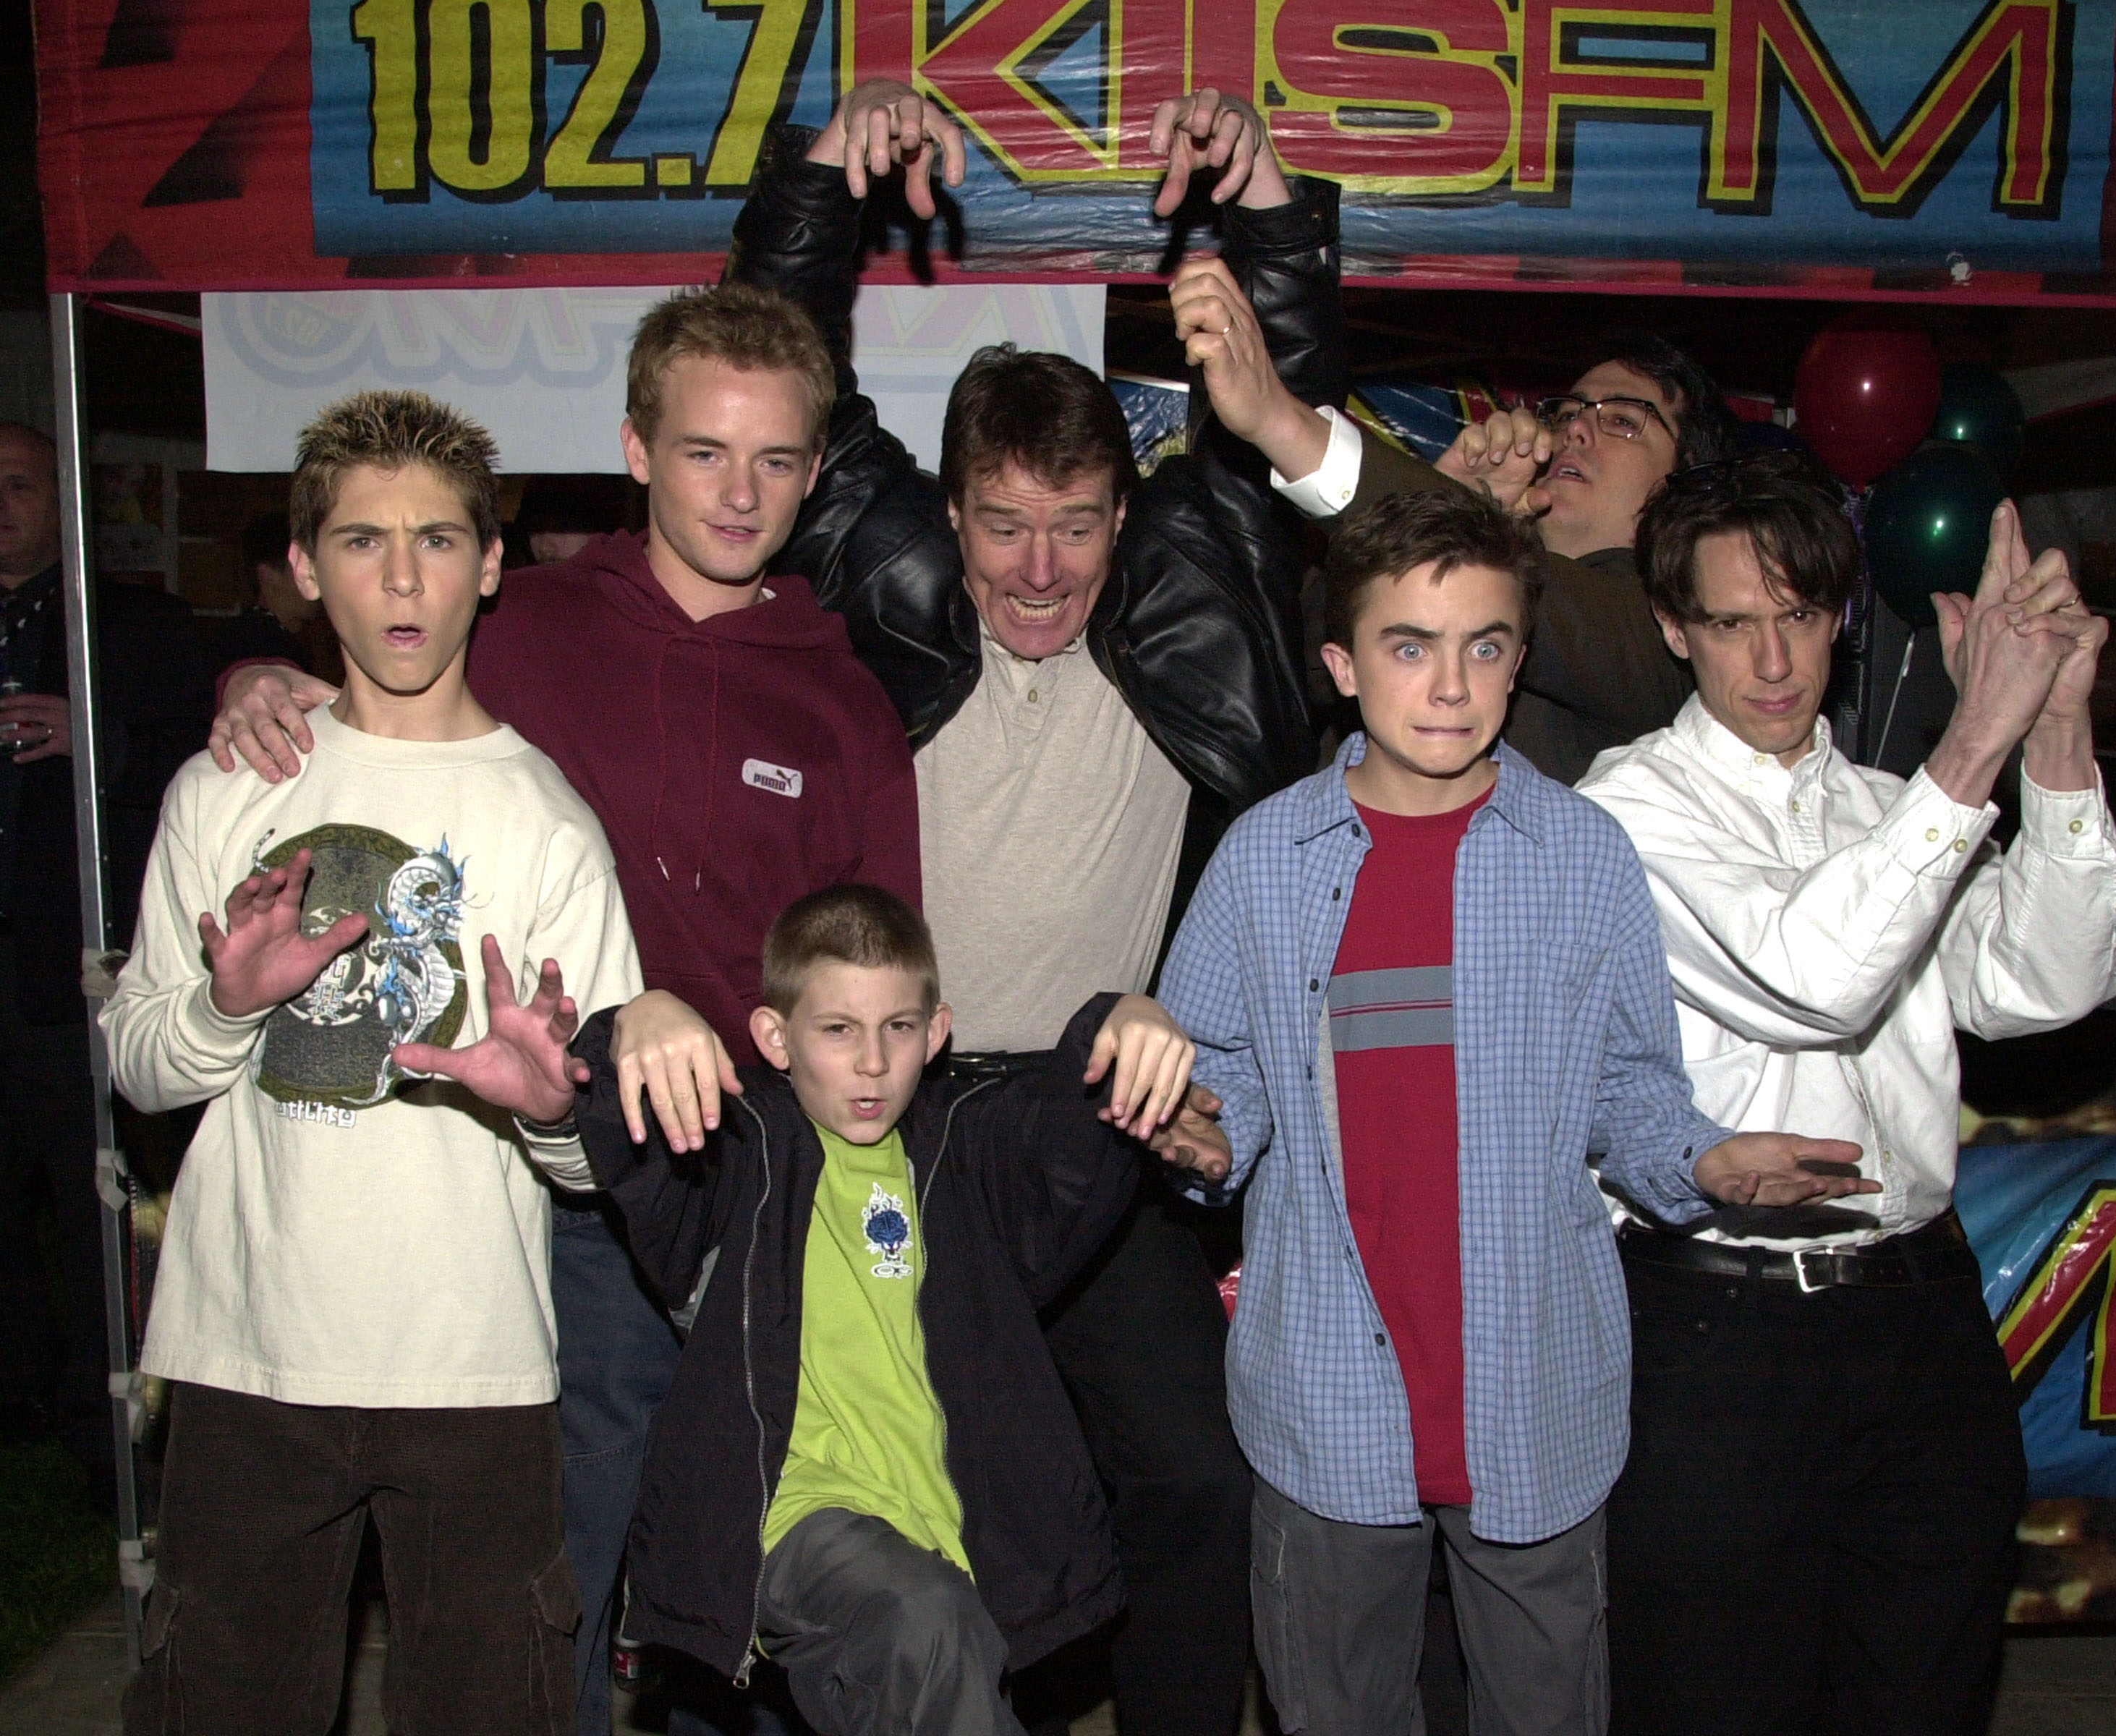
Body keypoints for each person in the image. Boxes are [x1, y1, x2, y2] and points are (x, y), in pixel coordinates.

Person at [206, 284, 922, 1736]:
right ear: (636, 449)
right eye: (707, 452)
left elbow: (882, 970)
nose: (742, 491)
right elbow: (373, 695)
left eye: (779, 460)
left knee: (775, 1559)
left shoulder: (840, 696)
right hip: (572, 1177)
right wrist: (255, 681)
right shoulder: (519, 624)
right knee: (575, 1547)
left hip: (765, 1186)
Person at [727, 81, 1335, 1735]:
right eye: (1004, 523)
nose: (1041, 568)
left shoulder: (1188, 590)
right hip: (900, 1127)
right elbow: (779, 375)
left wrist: (1269, 220)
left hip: (1102, 1117)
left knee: (1194, 1485)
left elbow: (1274, 400)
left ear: (1124, 518)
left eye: (1076, 525)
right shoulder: (889, 568)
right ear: (951, 510)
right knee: (885, 1511)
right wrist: (817, 189)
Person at [1155, 487, 1871, 1736]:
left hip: (1535, 1393)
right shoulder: (1261, 861)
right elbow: (1219, 1085)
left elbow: (1630, 1090)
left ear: (1519, 661)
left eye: (1483, 646)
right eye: (1407, 646)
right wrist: (1196, 1138)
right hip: (1326, 1397)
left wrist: (1704, 1165)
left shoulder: (1581, 855)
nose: (1448, 686)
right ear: (1339, 665)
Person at [102, 391, 646, 1732]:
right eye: (359, 542)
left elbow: (603, 1154)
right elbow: (138, 1067)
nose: (403, 581)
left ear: (493, 563)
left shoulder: (551, 824)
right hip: (245, 1358)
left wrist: (550, 1107)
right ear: (302, 569)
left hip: (476, 1368)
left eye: (439, 541)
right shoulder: (223, 792)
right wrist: (226, 1009)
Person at [1574, 451, 2116, 1735]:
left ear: (1840, 619)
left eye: (1802, 617)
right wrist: (1974, 734)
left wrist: (2050, 733)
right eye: (1732, 623)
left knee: (1921, 1697)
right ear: (1672, 630)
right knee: (1716, 1705)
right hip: (1717, 1338)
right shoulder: (1622, 815)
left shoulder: (1889, 809)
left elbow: (2054, 978)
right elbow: (1807, 980)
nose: (1774, 662)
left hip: (1921, 1330)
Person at [411, 881, 1234, 1736]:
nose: (872, 1062)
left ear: (938, 1032)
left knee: (944, 1648)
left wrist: (1126, 1013)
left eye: (899, 1030)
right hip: (800, 1521)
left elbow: (1061, 1131)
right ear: (775, 1036)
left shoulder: (968, 1153)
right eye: (838, 1031)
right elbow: (640, 1154)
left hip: (956, 1531)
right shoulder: (739, 1155)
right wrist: (636, 1020)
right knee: (930, 1630)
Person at [1192, 324, 1728, 783]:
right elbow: (1308, 670)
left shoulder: (1674, 638)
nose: (1576, 430)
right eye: (1565, 414)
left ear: (1683, 482)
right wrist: (1440, 514)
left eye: (1623, 421)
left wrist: (1280, 422)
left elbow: (1547, 606)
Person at [0, 422, 209, 1503]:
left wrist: (95, 734)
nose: (1, 505)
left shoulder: (127, 625)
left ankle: (103, 1424)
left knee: (93, 1210)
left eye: (20, 485)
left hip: (65, 971)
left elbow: (200, 750)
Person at [207, 510, 342, 684]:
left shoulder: (298, 639)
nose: (314, 577)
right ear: (268, 576)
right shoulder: (257, 646)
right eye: (301, 567)